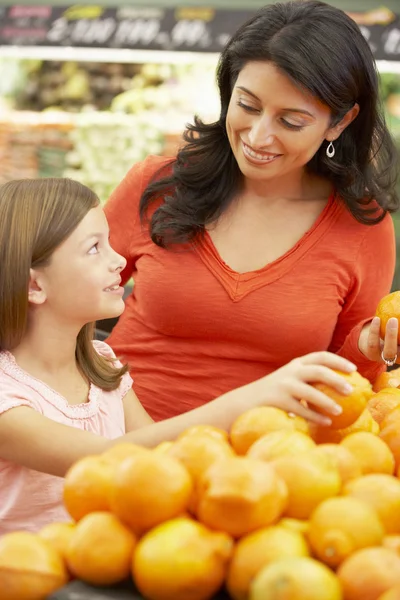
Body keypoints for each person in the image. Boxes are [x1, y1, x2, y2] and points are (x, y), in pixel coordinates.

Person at [0, 177, 359, 534]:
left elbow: (165, 455)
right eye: (94, 248)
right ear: (35, 285)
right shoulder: (7, 398)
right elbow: (106, 458)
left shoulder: (101, 363)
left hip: (102, 571)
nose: (116, 260)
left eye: (110, 242)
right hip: (30, 576)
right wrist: (248, 400)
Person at [104, 0, 399, 422]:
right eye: (247, 105)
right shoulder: (158, 184)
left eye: (291, 122)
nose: (259, 136)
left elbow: (348, 385)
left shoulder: (362, 226)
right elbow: (54, 303)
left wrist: (368, 347)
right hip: (111, 447)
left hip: (260, 467)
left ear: (339, 122)